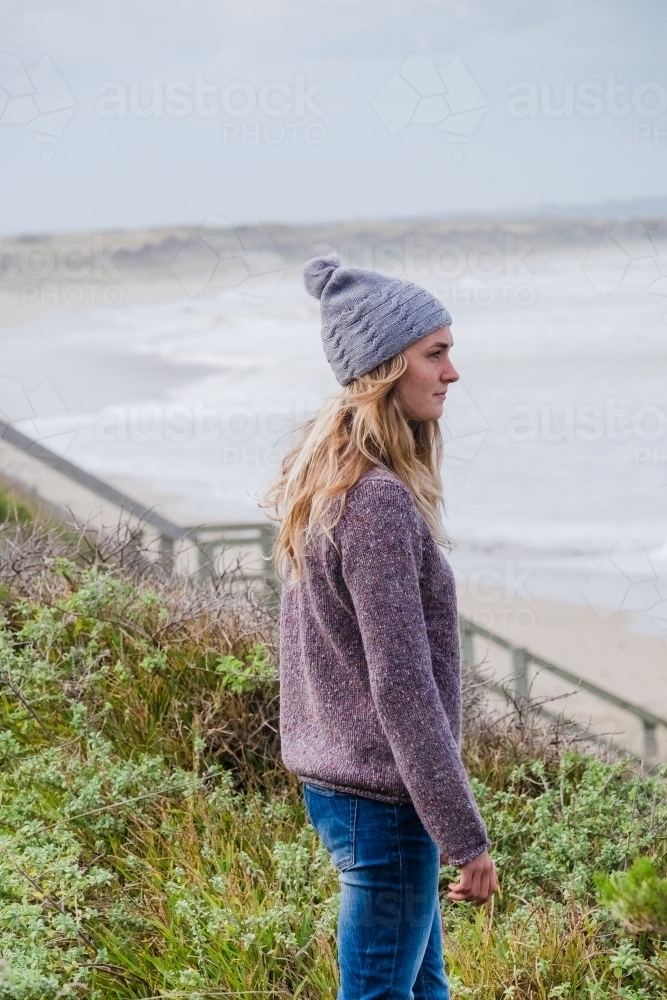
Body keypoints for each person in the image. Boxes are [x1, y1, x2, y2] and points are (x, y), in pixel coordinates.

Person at [264, 253, 497, 1000]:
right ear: (384, 367)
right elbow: (402, 688)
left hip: (345, 786)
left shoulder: (329, 486)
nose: (451, 372)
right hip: (383, 801)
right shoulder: (374, 503)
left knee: (423, 989)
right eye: (435, 353)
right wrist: (464, 838)